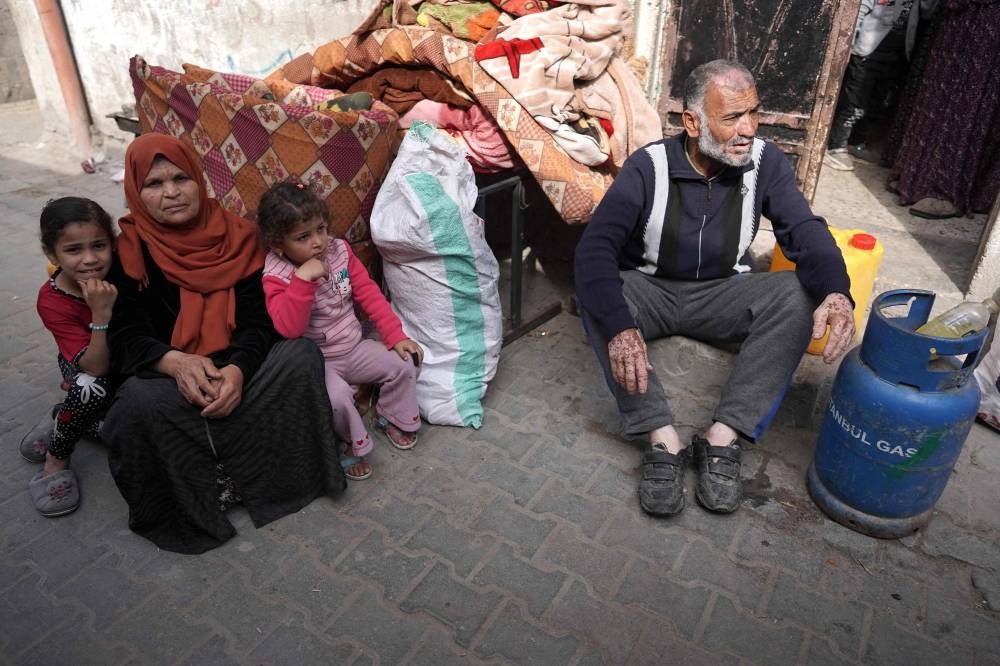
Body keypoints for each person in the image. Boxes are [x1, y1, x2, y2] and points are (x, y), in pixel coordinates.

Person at [574, 60, 855, 517]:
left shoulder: (765, 162)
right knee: (601, 294)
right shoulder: (649, 167)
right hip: (650, 291)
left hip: (723, 294)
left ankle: (722, 437)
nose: (748, 129)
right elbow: (595, 250)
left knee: (797, 294)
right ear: (692, 122)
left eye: (753, 113)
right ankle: (661, 438)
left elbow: (804, 230)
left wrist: (837, 292)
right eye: (732, 118)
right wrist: (621, 329)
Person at [102, 134, 345, 554]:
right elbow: (125, 334)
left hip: (237, 369)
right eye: (154, 184)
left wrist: (237, 370)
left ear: (199, 179)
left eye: (181, 178)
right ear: (136, 192)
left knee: (299, 355)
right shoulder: (128, 251)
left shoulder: (239, 236)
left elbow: (258, 322)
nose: (172, 192)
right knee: (134, 405)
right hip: (171, 379)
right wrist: (176, 363)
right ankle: (210, 488)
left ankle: (258, 477)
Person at [257, 182, 423, 481]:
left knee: (406, 361)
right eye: (303, 237)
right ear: (278, 244)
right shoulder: (276, 276)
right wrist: (302, 281)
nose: (318, 242)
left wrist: (396, 336)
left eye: (321, 229)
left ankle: (390, 414)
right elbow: (289, 329)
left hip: (354, 347)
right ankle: (350, 442)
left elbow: (369, 294)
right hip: (319, 362)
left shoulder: (339, 251)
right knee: (336, 400)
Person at [20, 198, 118, 516]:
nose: (90, 259)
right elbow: (95, 366)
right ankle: (57, 457)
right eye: (74, 250)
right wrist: (100, 313)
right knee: (90, 388)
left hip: (126, 358)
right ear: (52, 255)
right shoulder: (52, 300)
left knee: (124, 431)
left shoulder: (121, 272)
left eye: (99, 245)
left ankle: (64, 416)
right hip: (86, 363)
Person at [887, 0, 1000, 219]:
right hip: (959, 19)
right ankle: (917, 177)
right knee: (940, 90)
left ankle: (946, 190)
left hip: (990, 19)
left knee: (971, 95)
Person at [823, 0, 937, 172]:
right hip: (867, 54)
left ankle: (855, 142)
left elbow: (927, 12)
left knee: (875, 104)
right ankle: (836, 146)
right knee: (855, 104)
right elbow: (860, 9)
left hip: (894, 56)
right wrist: (847, 45)